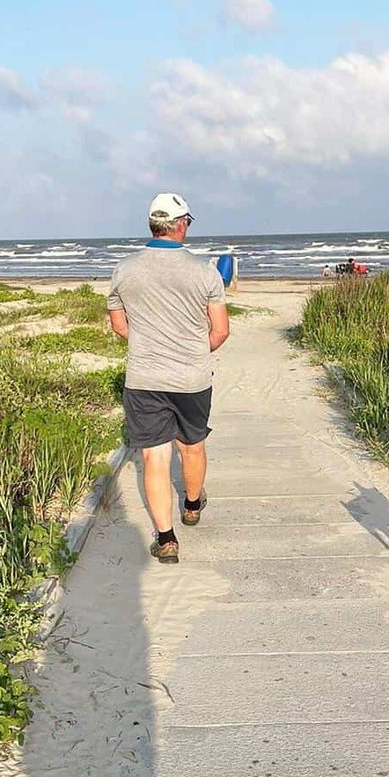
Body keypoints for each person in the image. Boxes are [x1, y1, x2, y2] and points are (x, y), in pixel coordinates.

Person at [108, 192, 230, 564]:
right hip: (191, 377)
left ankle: (166, 539)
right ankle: (192, 505)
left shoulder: (124, 270)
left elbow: (118, 325)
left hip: (145, 376)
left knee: (154, 458)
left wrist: (151, 344)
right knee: (191, 446)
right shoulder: (204, 271)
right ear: (180, 226)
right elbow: (221, 331)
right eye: (188, 222)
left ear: (153, 225)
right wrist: (190, 350)